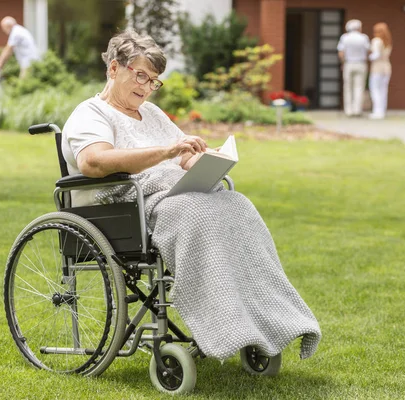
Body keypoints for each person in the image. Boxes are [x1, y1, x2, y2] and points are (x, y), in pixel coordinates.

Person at [61, 29, 321, 361]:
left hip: (175, 196)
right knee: (195, 213)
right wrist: (165, 152)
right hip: (128, 206)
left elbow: (181, 154)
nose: (146, 86)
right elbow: (94, 161)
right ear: (114, 69)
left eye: (153, 81)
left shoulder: (151, 113)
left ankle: (272, 322)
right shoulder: (92, 114)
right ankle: (226, 330)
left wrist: (205, 157)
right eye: (140, 75)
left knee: (237, 205)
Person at [337, 19, 370, 117]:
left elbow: (341, 53)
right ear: (358, 28)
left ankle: (349, 110)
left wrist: (343, 62)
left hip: (349, 64)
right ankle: (357, 110)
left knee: (348, 87)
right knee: (359, 87)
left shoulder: (345, 38)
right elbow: (368, 50)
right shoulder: (364, 38)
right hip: (361, 64)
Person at [368, 23, 393, 119]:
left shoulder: (376, 41)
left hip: (377, 68)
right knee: (383, 90)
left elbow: (376, 55)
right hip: (386, 67)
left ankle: (377, 111)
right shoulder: (388, 42)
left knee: (375, 89)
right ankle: (382, 110)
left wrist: (368, 56)